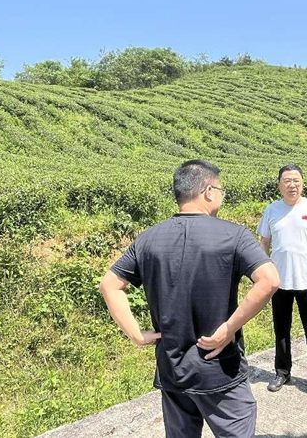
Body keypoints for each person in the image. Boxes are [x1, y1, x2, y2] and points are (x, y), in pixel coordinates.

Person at [99, 159, 280, 438]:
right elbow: (269, 280)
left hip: (173, 369)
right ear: (208, 192)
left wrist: (135, 334)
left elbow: (109, 285)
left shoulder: (148, 239)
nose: (221, 196)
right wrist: (229, 328)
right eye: (220, 190)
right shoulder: (234, 235)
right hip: (220, 369)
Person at [257, 164, 307, 398]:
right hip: (279, 281)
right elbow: (264, 243)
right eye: (287, 181)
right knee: (281, 329)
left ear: (303, 183)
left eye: (296, 180)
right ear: (279, 185)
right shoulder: (272, 210)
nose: (292, 185)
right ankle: (282, 371)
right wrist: (263, 273)